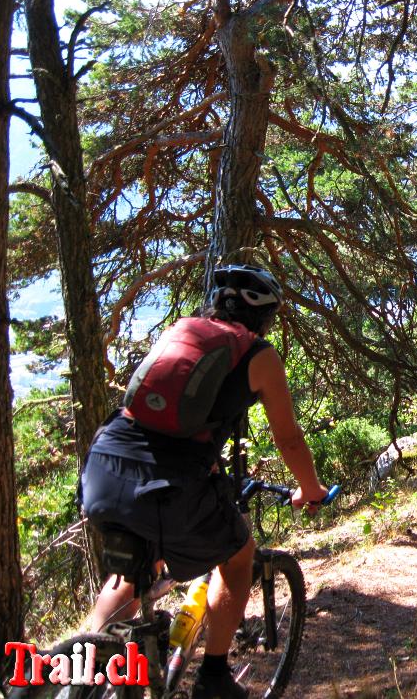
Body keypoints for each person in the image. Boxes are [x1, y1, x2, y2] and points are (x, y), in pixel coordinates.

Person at [79, 265, 328, 699]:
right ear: (266, 316)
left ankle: (80, 675)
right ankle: (213, 677)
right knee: (238, 558)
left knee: (129, 575)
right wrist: (310, 488)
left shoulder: (183, 331)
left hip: (105, 464)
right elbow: (288, 438)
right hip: (167, 484)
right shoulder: (260, 355)